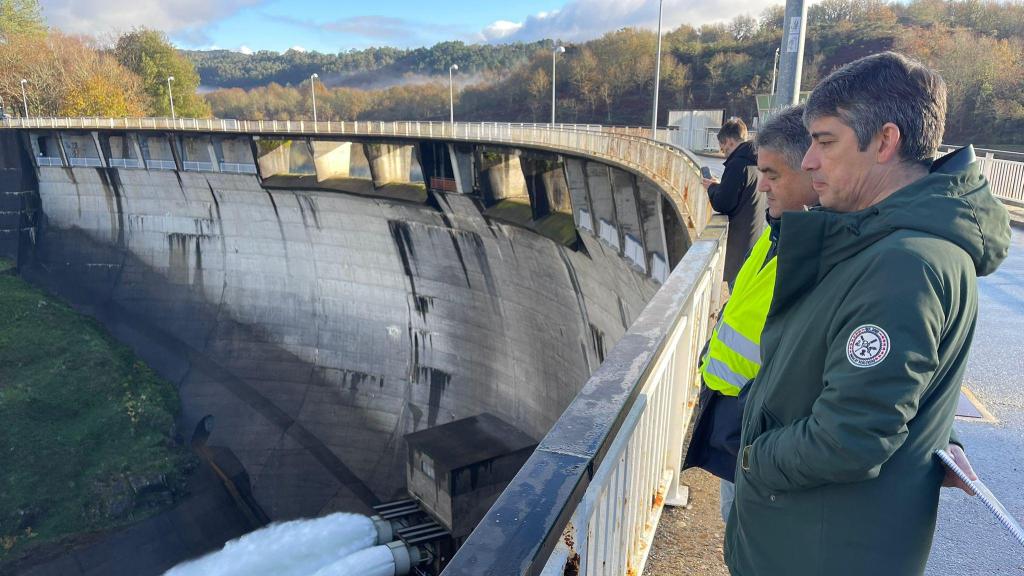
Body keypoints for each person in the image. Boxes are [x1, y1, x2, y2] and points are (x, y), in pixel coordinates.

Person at [724, 52, 1011, 576]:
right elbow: (892, 391)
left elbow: (849, 439)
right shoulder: (878, 243)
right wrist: (939, 434)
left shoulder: (904, 264)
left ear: (884, 141)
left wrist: (751, 458)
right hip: (805, 537)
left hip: (820, 551)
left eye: (825, 141)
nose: (808, 162)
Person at [684, 105, 817, 522]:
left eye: (773, 175)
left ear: (815, 169)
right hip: (737, 423)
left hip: (760, 433)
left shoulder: (817, 252)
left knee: (749, 537)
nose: (761, 187)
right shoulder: (780, 233)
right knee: (735, 534)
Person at [703, 117, 765, 286]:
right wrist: (721, 186)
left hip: (739, 245)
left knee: (737, 289)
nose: (722, 151)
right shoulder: (755, 161)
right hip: (752, 240)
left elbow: (723, 203)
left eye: (722, 147)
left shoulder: (738, 164)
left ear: (729, 141)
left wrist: (711, 188)